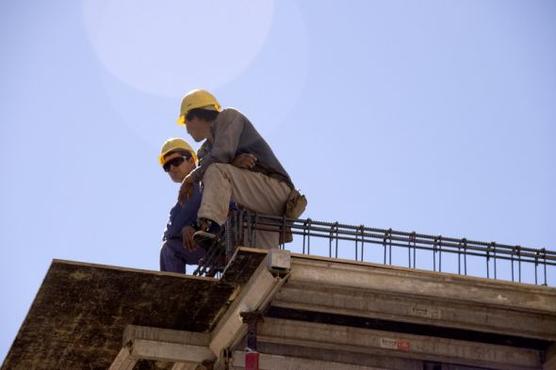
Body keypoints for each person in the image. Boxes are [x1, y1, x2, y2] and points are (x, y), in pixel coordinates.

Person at [176, 89, 301, 249]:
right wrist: (233, 164)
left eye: (187, 121)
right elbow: (210, 184)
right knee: (262, 263)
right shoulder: (205, 151)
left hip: (276, 191)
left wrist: (191, 178)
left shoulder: (228, 117)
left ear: (198, 115)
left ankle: (207, 225)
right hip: (256, 206)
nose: (187, 129)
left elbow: (220, 156)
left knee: (216, 170)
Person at [158, 138, 205, 273]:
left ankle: (172, 291)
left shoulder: (203, 181)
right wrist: (185, 227)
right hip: (210, 244)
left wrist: (185, 227)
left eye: (176, 162)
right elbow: (170, 231)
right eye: (167, 167)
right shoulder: (181, 201)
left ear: (191, 160)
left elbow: (172, 230)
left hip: (224, 240)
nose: (172, 168)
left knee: (169, 249)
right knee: (168, 248)